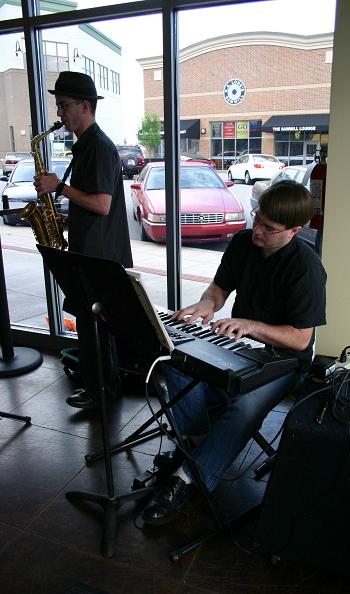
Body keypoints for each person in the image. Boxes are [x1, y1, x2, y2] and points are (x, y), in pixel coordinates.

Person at [142, 180, 327, 525]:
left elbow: (301, 339)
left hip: (283, 362)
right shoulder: (244, 243)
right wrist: (206, 304)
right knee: (170, 360)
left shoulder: (307, 267)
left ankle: (187, 479)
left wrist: (251, 325)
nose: (257, 230)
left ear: (294, 231)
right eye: (257, 219)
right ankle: (199, 446)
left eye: (268, 228)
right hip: (240, 346)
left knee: (245, 407)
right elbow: (218, 289)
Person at [34, 71, 133, 410]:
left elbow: (102, 205)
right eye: (59, 106)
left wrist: (58, 188)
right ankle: (98, 389)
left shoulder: (99, 147)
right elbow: (90, 202)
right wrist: (64, 217)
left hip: (99, 255)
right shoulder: (86, 146)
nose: (60, 113)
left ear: (85, 106)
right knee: (91, 328)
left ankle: (103, 392)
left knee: (97, 328)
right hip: (90, 250)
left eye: (64, 106)